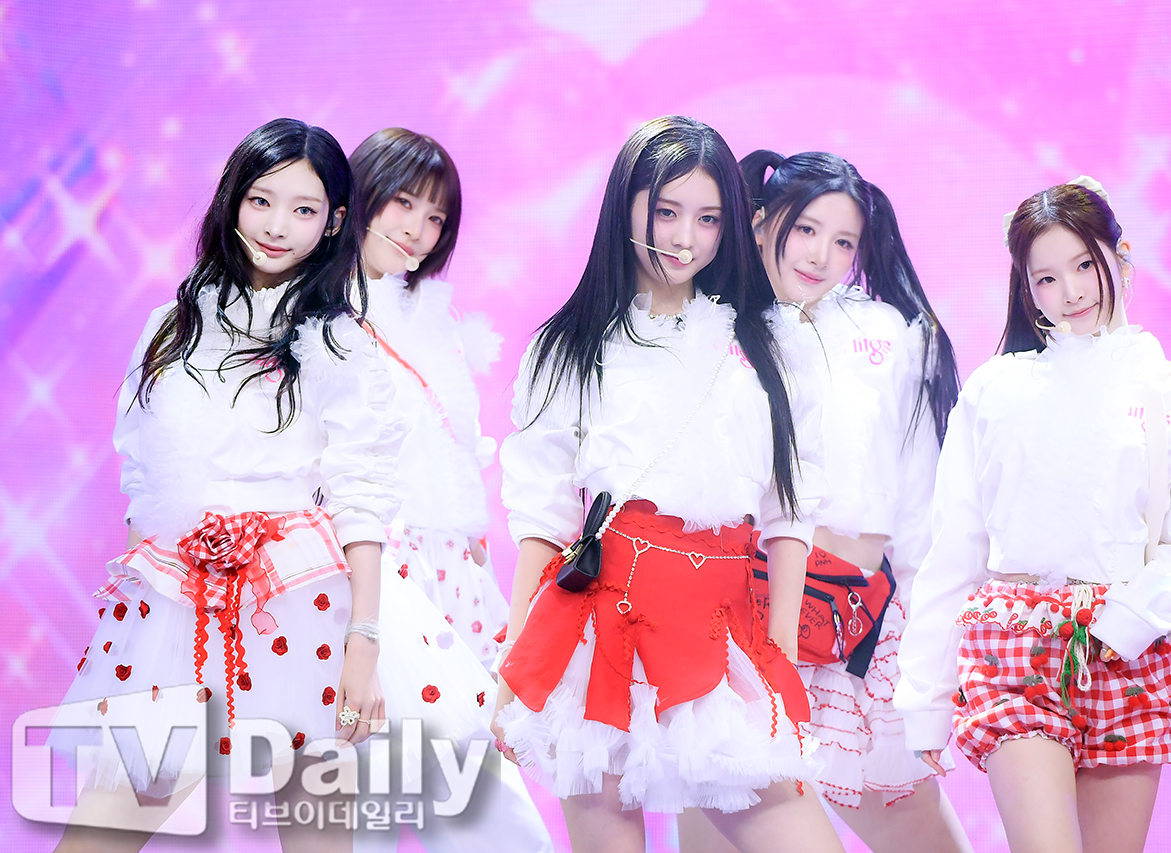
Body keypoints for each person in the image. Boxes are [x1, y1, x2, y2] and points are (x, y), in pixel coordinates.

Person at [53, 118, 485, 853]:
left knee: (316, 836)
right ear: (232, 201)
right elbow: (143, 476)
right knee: (102, 832)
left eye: (304, 209)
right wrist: (134, 615)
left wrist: (363, 642)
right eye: (261, 201)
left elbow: (361, 496)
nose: (278, 226)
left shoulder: (339, 339)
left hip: (302, 602)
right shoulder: (171, 327)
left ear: (334, 221)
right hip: (179, 602)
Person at [490, 116, 843, 853]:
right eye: (666, 212)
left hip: (721, 634)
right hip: (600, 629)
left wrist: (778, 648)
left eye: (708, 218)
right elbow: (543, 516)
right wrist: (517, 658)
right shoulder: (570, 345)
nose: (685, 239)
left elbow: (790, 512)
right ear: (626, 208)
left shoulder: (775, 344)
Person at [896, 178, 1171, 853]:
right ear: (1028, 291)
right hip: (1017, 645)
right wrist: (924, 700)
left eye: (1085, 264)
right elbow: (957, 547)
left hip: (1124, 652)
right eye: (1047, 278)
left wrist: (1124, 626)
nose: (1072, 291)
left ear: (1122, 256)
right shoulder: (996, 391)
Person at [679, 150, 971, 852]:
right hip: (739, 625)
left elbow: (921, 495)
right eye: (806, 229)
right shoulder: (710, 329)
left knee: (923, 832)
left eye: (844, 241)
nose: (821, 255)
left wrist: (931, 634)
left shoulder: (889, 332)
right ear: (760, 222)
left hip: (855, 626)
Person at [349, 126, 552, 853]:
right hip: (367, 573)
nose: (419, 229)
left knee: (470, 807)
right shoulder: (317, 315)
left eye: (436, 217)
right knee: (369, 803)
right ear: (360, 195)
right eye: (404, 203)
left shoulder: (432, 320)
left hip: (449, 574)